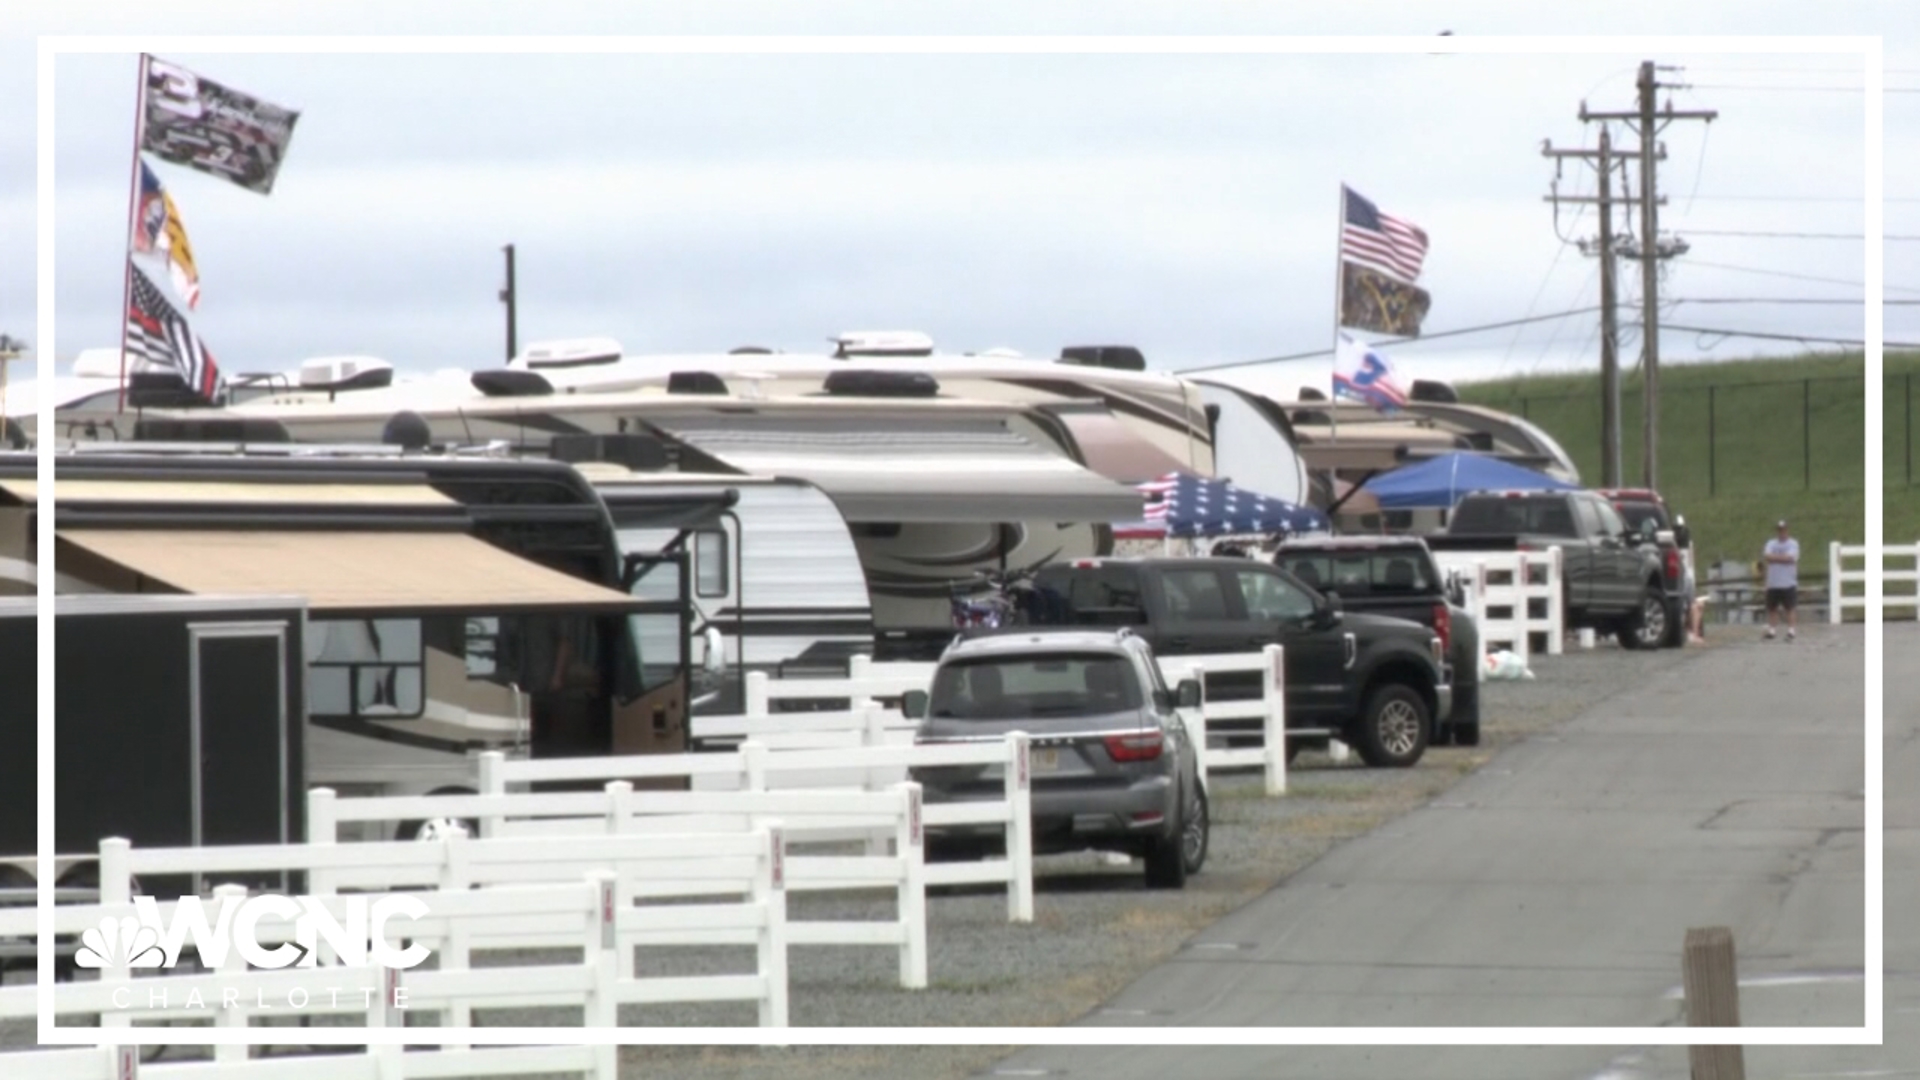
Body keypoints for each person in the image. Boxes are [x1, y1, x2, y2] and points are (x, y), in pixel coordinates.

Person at [1762, 518, 1800, 642]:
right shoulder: (1771, 543)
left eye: (1783, 530)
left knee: (1790, 607)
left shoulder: (1793, 543)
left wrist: (1775, 558)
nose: (1781, 532)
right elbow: (1767, 556)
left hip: (1788, 581)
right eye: (1779, 530)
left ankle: (1791, 630)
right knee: (1772, 607)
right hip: (1773, 582)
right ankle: (1772, 630)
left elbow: (1790, 558)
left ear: (1787, 530)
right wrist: (1782, 558)